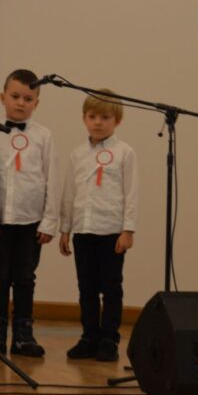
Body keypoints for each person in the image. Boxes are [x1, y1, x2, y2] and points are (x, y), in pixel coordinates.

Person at [59, 89, 138, 362]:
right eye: (92, 116)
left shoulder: (125, 153)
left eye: (105, 117)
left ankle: (109, 339)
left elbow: (131, 193)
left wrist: (128, 229)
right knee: (87, 288)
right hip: (83, 230)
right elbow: (69, 193)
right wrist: (65, 229)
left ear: (117, 120)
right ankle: (89, 336)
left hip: (111, 232)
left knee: (111, 286)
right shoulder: (77, 154)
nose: (98, 122)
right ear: (84, 118)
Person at [0, 69, 59, 357]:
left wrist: (50, 220)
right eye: (15, 96)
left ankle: (23, 334)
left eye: (28, 98)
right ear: (3, 97)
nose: (20, 103)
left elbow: (51, 177)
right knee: (0, 275)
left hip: (31, 221)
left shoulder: (44, 136)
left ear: (36, 103)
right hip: (1, 220)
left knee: (26, 277)